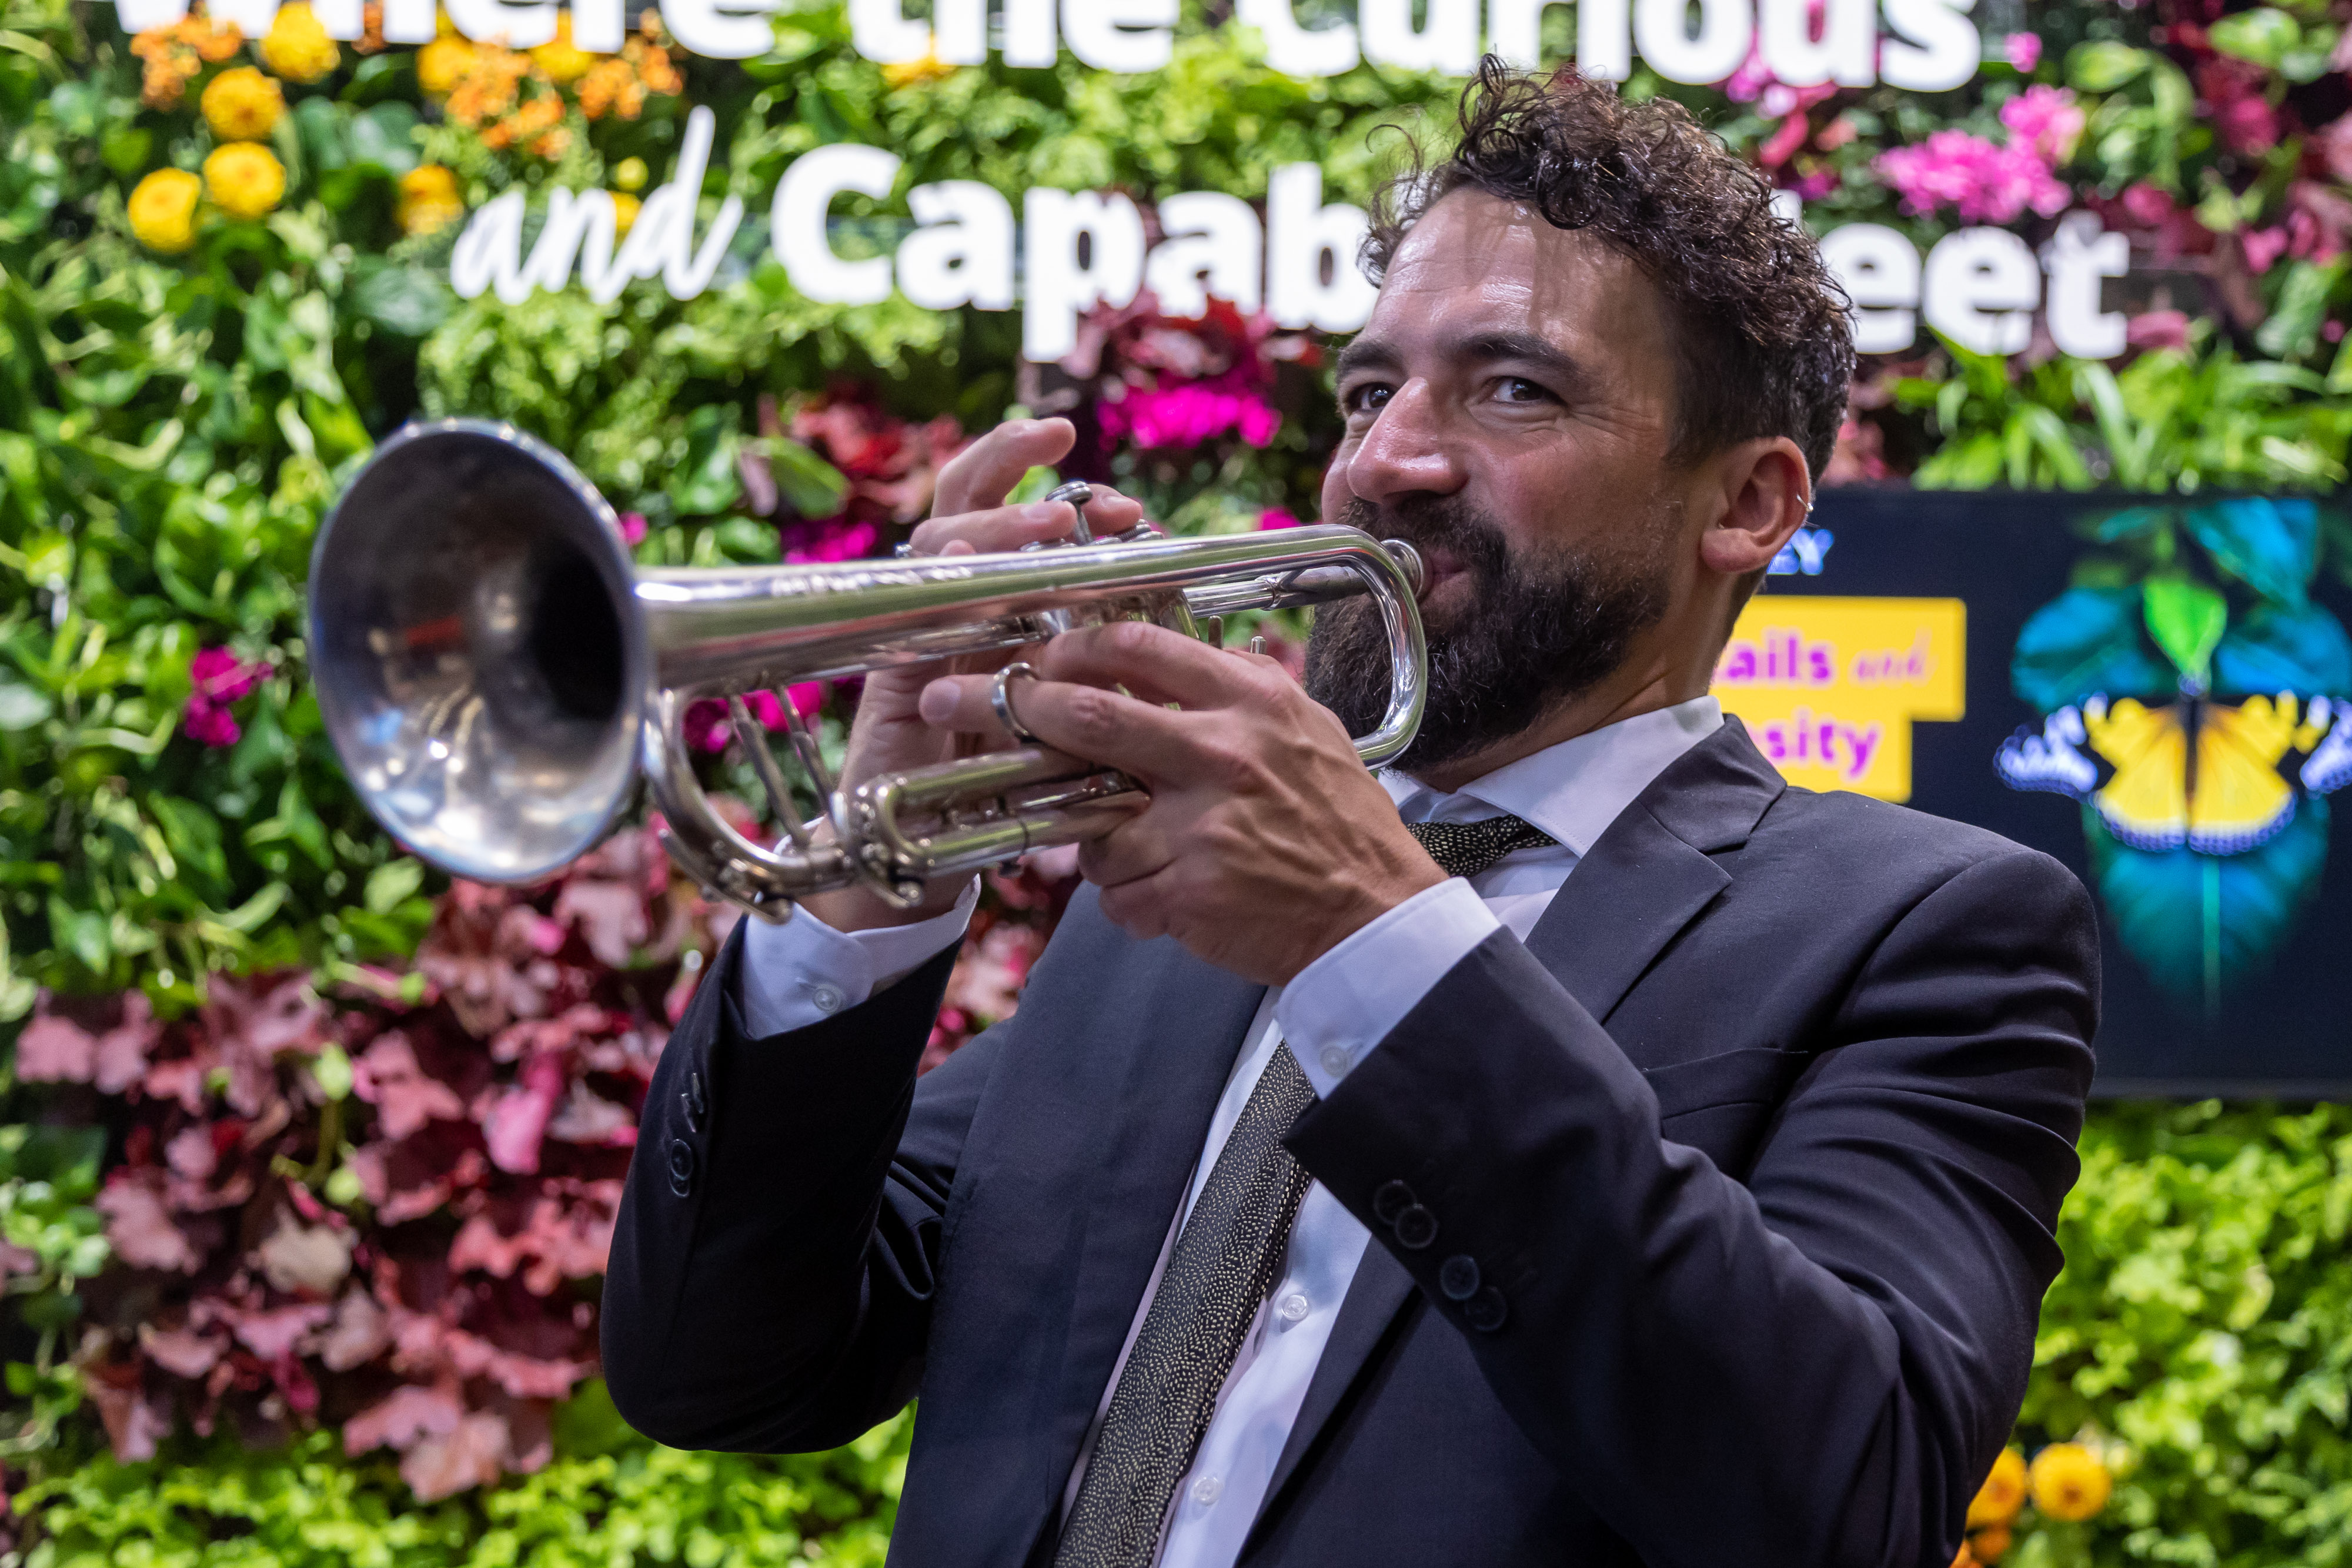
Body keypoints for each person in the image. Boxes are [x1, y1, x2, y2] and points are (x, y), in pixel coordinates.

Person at [601, 61, 2099, 1568]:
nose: (1386, 460)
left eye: (1513, 386)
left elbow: (1846, 1495)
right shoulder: (1167, 922)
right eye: (1371, 390)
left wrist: (1377, 939)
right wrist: (864, 878)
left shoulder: (1927, 930)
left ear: (1750, 504)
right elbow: (728, 1366)